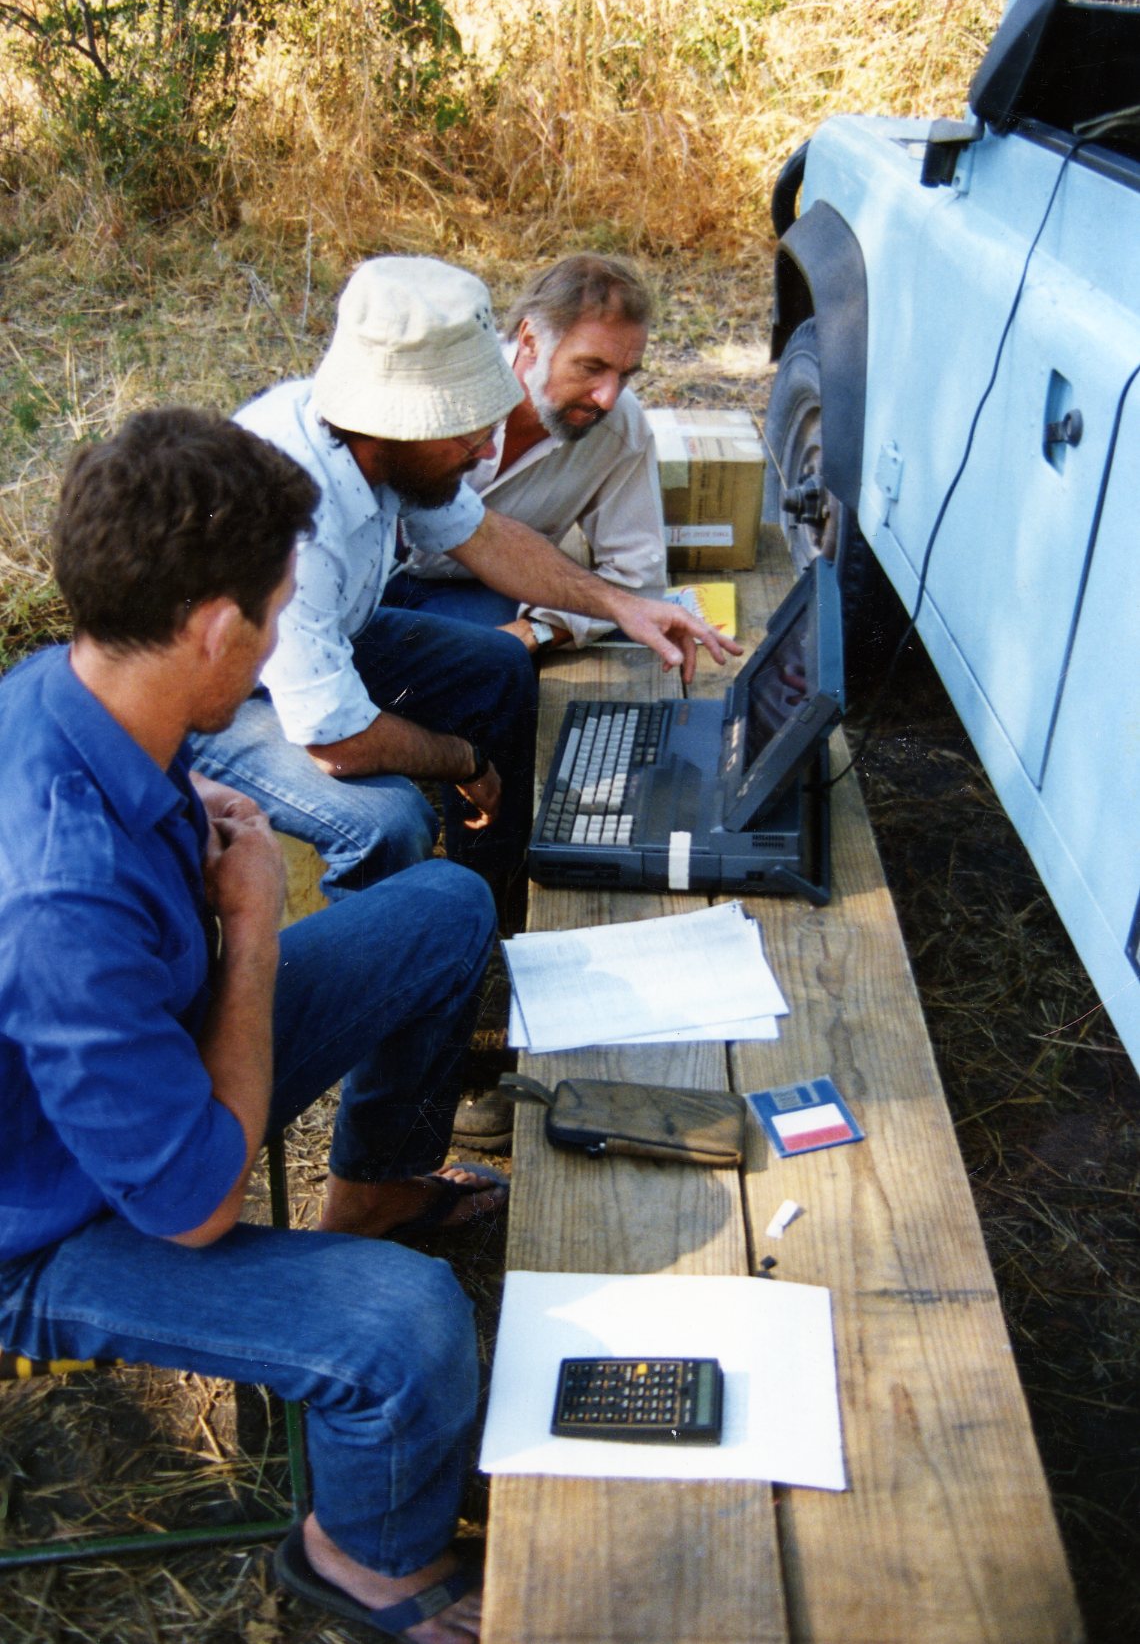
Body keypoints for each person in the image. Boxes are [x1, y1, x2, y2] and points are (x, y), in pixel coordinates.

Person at [0, 408, 507, 1639]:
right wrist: (257, 924)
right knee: (406, 1326)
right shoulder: (61, 899)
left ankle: (376, 1185)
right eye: (278, 612)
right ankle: (361, 1555)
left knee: (444, 908)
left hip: (143, 1078)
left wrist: (194, 804)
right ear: (220, 630)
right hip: (48, 1219)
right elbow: (192, 1205)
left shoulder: (66, 684)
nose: (282, 637)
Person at [189, 255, 737, 911]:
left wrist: (622, 604)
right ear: (398, 421)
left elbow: (485, 537)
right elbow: (334, 740)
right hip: (215, 703)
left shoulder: (387, 447)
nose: (483, 449)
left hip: (326, 637)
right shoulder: (295, 520)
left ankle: (493, 907)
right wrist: (464, 761)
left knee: (499, 664)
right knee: (389, 821)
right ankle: (378, 961)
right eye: (463, 430)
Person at [384, 253, 666, 652]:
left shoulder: (619, 427)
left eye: (624, 375)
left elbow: (637, 582)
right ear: (531, 341)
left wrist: (537, 632)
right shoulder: (442, 381)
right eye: (590, 368)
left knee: (490, 664)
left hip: (471, 593)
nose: (606, 397)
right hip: (361, 570)